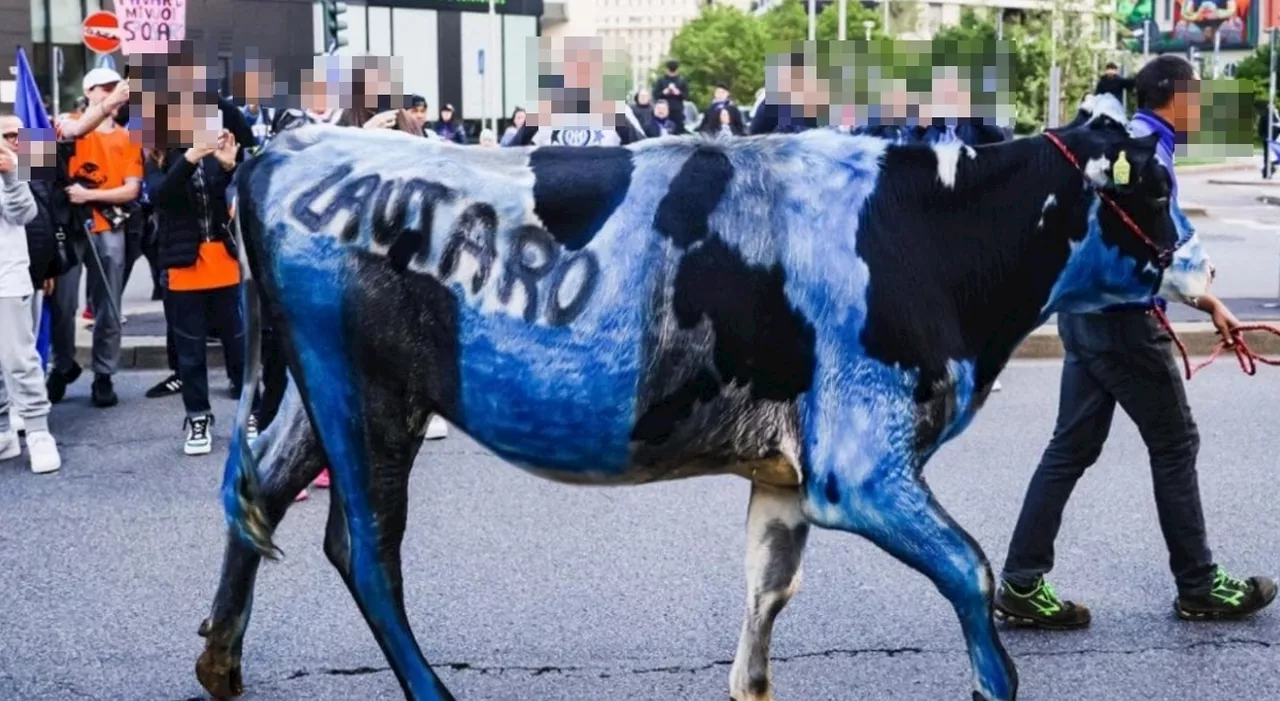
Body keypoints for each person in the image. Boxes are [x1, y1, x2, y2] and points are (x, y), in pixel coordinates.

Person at [995, 55, 1276, 628]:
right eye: (1199, 92)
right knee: (1175, 444)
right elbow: (1167, 255)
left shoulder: (1115, 141)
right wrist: (1204, 295)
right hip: (1125, 323)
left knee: (1070, 448)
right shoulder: (1151, 153)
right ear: (1175, 94)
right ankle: (1199, 585)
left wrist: (1211, 305)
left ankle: (1021, 582)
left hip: (1082, 314)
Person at [145, 109, 253, 455]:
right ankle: (198, 417)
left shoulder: (212, 154)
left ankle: (251, 411)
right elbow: (160, 196)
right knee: (190, 353)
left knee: (239, 347)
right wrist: (190, 156)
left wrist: (228, 167)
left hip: (223, 261)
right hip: (183, 265)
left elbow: (227, 203)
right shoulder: (159, 155)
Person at [46, 68, 140, 409]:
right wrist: (104, 106)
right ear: (89, 91)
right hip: (68, 229)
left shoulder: (129, 137)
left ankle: (104, 373)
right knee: (62, 304)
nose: (116, 95)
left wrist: (91, 198)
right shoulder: (65, 121)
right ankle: (63, 365)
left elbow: (132, 188)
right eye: (108, 89)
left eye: (119, 89)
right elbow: (71, 131)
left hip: (108, 226)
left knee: (108, 305)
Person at [0, 114, 62, 473]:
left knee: (19, 359)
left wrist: (10, 173)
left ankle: (38, 432)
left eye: (17, 135)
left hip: (8, 278)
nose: (13, 141)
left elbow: (24, 213)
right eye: (7, 135)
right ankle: (5, 433)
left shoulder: (20, 169)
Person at [652, 60, 689, 132]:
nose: (672, 73)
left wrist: (678, 93)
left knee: (678, 131)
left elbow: (686, 96)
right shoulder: (661, 80)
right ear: (666, 70)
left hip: (677, 111)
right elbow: (655, 95)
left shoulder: (682, 80)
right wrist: (664, 92)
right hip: (662, 111)